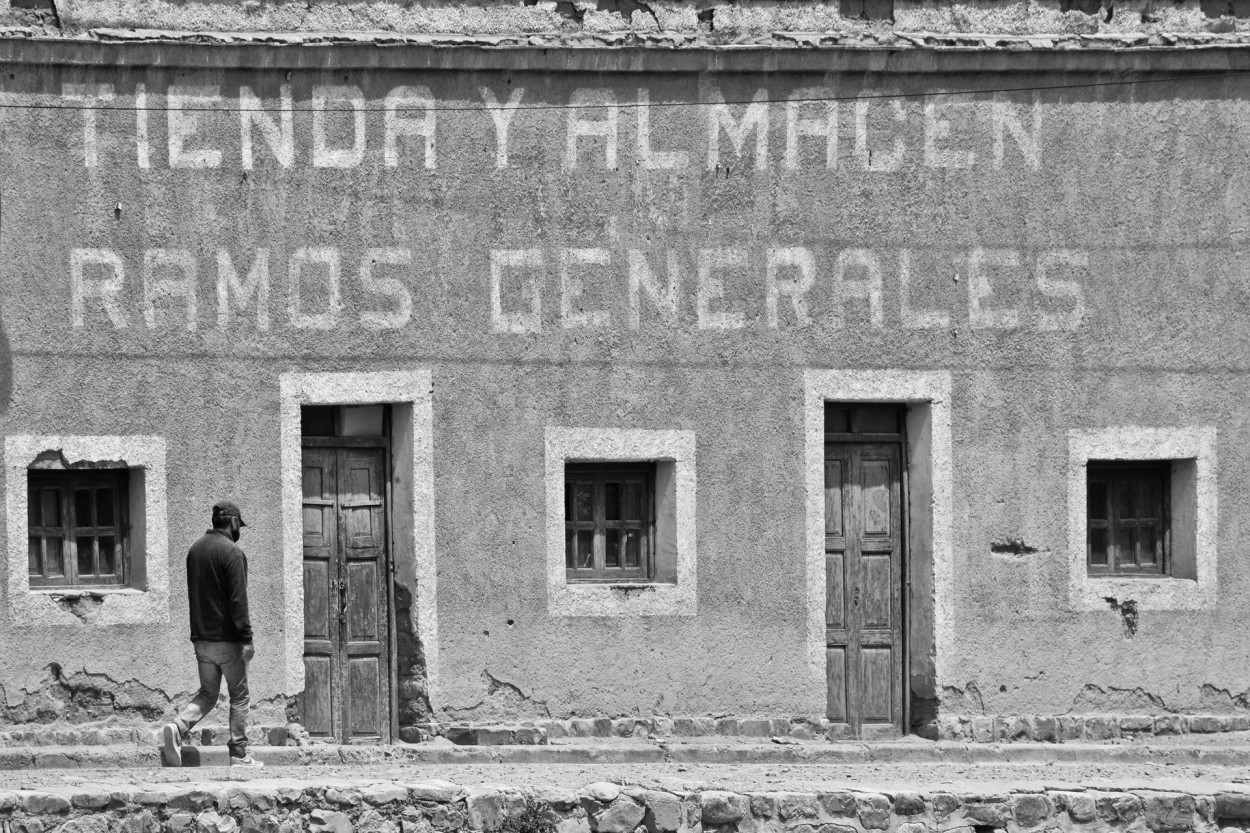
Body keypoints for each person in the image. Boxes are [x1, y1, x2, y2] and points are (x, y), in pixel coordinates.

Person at [161, 500, 263, 768]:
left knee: (208, 693)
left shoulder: (195, 550)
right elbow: (238, 601)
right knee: (239, 696)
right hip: (227, 640)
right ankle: (240, 755)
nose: (239, 529)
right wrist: (247, 639)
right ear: (232, 522)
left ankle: (178, 726)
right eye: (239, 524)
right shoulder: (232, 552)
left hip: (201, 639)